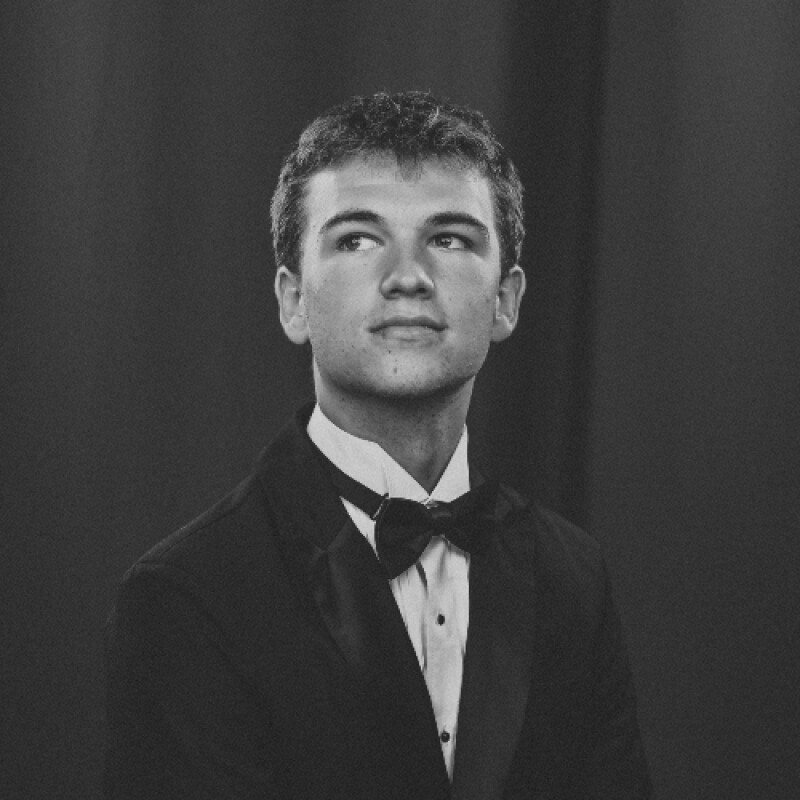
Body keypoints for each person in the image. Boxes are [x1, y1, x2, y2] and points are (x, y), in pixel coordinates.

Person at [104, 90, 652, 799]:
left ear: (506, 300)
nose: (407, 278)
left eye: (449, 239)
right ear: (293, 301)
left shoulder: (574, 577)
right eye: (358, 240)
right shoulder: (187, 597)